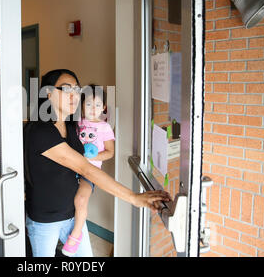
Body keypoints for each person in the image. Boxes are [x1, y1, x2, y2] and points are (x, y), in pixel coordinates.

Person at [24, 69, 171, 257]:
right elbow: (84, 167)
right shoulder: (41, 131)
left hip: (71, 214)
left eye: (77, 90)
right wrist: (134, 198)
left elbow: (87, 163)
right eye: (66, 89)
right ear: (48, 93)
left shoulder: (71, 125)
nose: (74, 96)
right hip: (46, 220)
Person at [62, 84, 114, 256]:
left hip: (89, 172)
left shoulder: (105, 127)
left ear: (104, 107)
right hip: (70, 168)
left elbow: (110, 152)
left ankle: (76, 236)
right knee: (66, 199)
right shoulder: (76, 122)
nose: (93, 109)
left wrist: (91, 158)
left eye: (98, 105)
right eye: (89, 104)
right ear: (82, 105)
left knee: (81, 199)